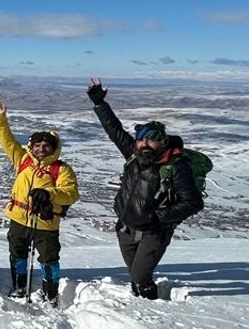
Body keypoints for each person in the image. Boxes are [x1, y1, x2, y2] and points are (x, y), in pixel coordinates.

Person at [87, 78, 204, 300]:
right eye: (142, 140)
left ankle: (150, 304)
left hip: (155, 230)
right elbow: (114, 130)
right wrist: (99, 104)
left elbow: (193, 202)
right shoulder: (134, 156)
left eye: (152, 141)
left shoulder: (176, 165)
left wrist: (157, 218)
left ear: (163, 142)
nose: (145, 145)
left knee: (141, 275)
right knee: (134, 273)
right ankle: (138, 299)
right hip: (126, 225)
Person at [0, 98, 79, 304]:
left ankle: (51, 292)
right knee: (17, 253)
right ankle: (19, 285)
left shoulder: (61, 169)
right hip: (19, 217)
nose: (41, 149)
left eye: (46, 146)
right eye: (37, 145)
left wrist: (49, 193)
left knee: (48, 258)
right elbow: (7, 140)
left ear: (53, 148)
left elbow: (71, 193)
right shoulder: (23, 159)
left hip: (45, 221)